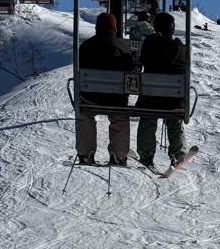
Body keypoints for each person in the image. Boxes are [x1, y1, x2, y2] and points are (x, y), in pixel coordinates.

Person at [76, 12, 135, 165]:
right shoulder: (122, 46)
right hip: (115, 99)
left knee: (84, 115)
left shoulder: (86, 46)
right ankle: (119, 154)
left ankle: (85, 153)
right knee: (119, 116)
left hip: (90, 97)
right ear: (114, 28)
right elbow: (130, 70)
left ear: (97, 27)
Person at [136, 12, 188, 168]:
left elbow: (143, 60)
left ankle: (146, 154)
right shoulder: (180, 49)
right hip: (174, 101)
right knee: (175, 123)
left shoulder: (149, 44)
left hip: (150, 100)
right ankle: (178, 155)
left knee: (148, 121)